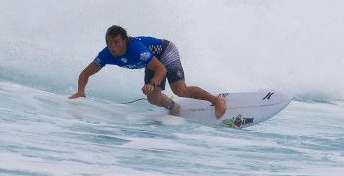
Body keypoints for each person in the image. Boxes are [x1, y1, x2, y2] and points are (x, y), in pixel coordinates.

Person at [69, 25, 227, 119]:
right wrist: (81, 91)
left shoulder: (136, 49)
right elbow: (85, 74)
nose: (113, 47)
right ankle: (174, 107)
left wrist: (152, 83)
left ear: (124, 40)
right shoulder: (106, 55)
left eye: (116, 42)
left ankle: (216, 100)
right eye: (109, 43)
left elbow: (161, 68)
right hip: (152, 62)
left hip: (165, 51)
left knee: (180, 89)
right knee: (152, 98)